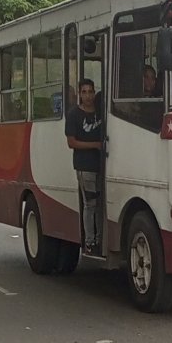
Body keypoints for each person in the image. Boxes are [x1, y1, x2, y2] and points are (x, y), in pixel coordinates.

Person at [65, 78, 102, 254]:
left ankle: (100, 236)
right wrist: (94, 145)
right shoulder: (74, 115)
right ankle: (90, 241)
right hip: (84, 165)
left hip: (102, 165)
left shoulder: (101, 112)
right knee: (90, 204)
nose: (88, 96)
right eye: (84, 92)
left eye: (91, 91)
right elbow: (71, 143)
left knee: (102, 203)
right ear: (79, 94)